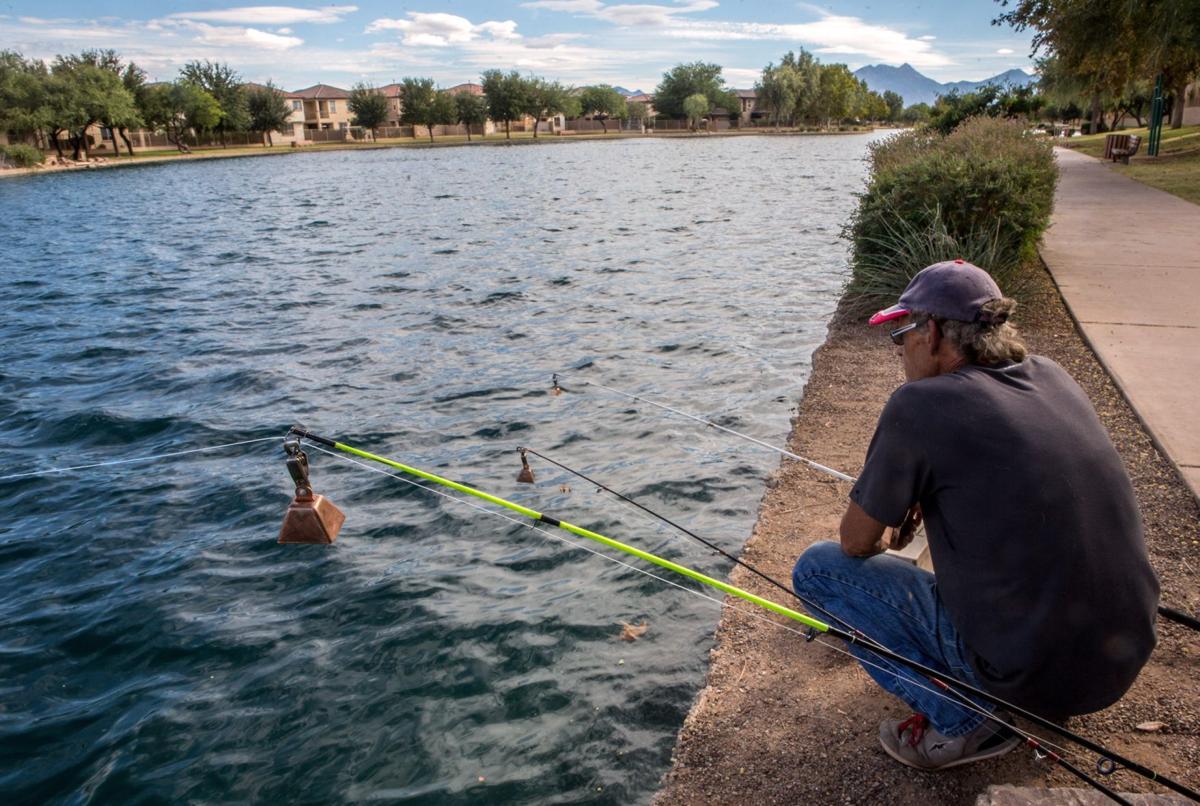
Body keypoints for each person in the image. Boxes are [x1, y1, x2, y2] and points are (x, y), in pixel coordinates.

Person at [792, 259, 1159, 771]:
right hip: (1114, 664)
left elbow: (856, 542)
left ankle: (965, 721)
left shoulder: (919, 404)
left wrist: (894, 518)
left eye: (901, 333)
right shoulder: (1051, 374)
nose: (899, 348)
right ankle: (1009, 691)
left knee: (818, 569)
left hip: (1030, 677)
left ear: (933, 333)